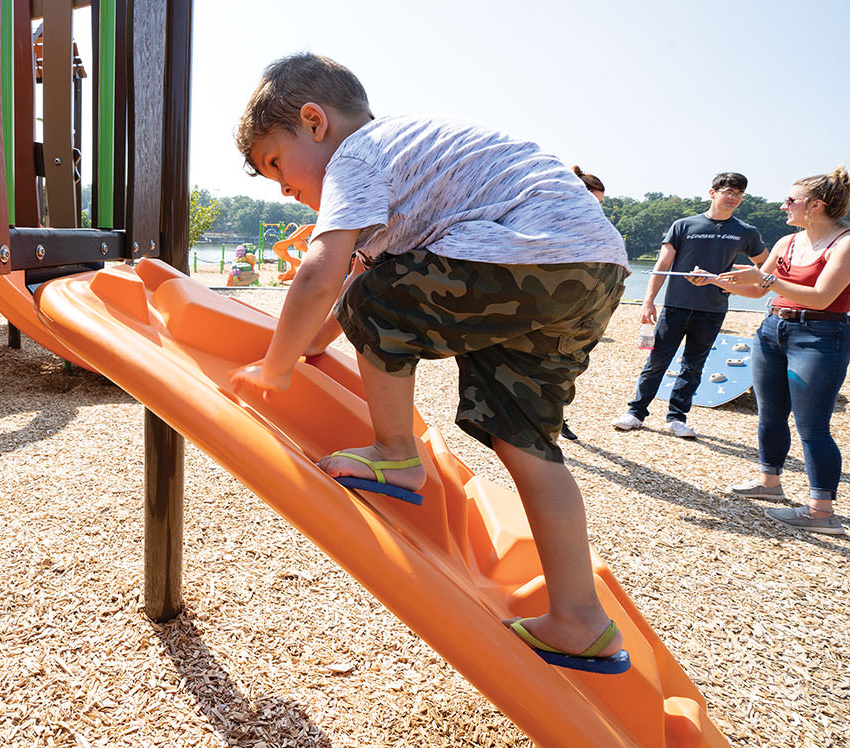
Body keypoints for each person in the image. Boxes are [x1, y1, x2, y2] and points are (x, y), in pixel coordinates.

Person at [229, 53, 631, 673]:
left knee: (378, 296)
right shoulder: (412, 170)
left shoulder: (358, 154)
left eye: (276, 165)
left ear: (314, 122)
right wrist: (314, 343)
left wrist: (275, 365)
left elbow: (326, 272)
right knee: (523, 435)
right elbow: (358, 283)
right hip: (594, 270)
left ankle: (396, 454)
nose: (283, 187)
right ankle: (580, 619)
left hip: (529, 251)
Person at [711, 167, 850, 535]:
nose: (783, 205)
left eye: (791, 200)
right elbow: (758, 292)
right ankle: (770, 484)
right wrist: (716, 282)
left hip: (821, 335)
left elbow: (823, 297)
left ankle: (822, 512)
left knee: (813, 426)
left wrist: (765, 279)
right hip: (773, 329)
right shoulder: (787, 243)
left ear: (816, 205)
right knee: (770, 414)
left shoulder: (846, 243)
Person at [611, 173, 767, 438]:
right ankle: (636, 412)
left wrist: (739, 279)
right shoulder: (684, 225)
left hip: (713, 308)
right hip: (676, 306)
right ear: (712, 192)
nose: (733, 198)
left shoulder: (745, 232)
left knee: (694, 365)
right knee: (657, 361)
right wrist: (648, 301)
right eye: (728, 191)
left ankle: (676, 417)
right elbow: (662, 265)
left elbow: (765, 265)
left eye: (739, 194)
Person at [559, 166, 607, 441]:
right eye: (594, 202)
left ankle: (557, 418)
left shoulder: (594, 229)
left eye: (600, 204)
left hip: (579, 313)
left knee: (569, 370)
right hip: (555, 311)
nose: (597, 209)